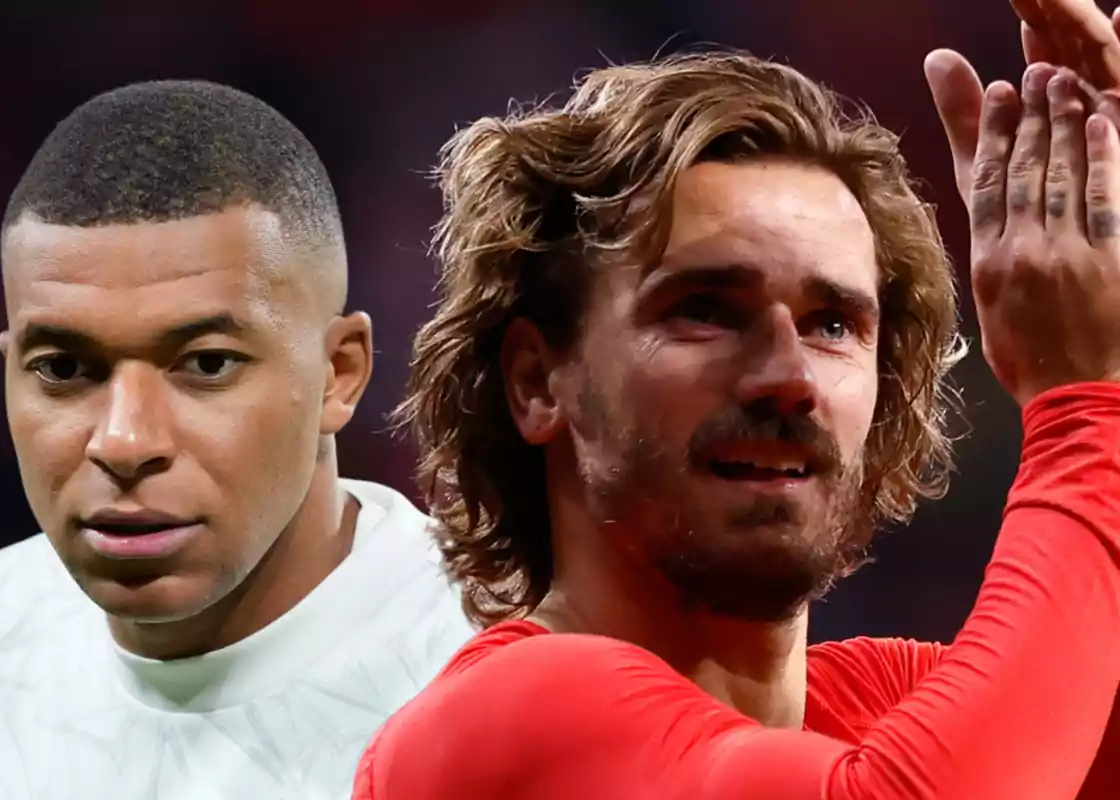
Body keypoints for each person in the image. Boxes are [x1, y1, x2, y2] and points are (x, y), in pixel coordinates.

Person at [352, 46, 1120, 799]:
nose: (788, 378)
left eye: (832, 324)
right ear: (536, 381)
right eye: (706, 312)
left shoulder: (888, 705)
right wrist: (1083, 397)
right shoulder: (504, 714)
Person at [0, 80, 475, 799]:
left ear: (339, 375)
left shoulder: (487, 667)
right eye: (62, 369)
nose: (124, 442)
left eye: (208, 364)